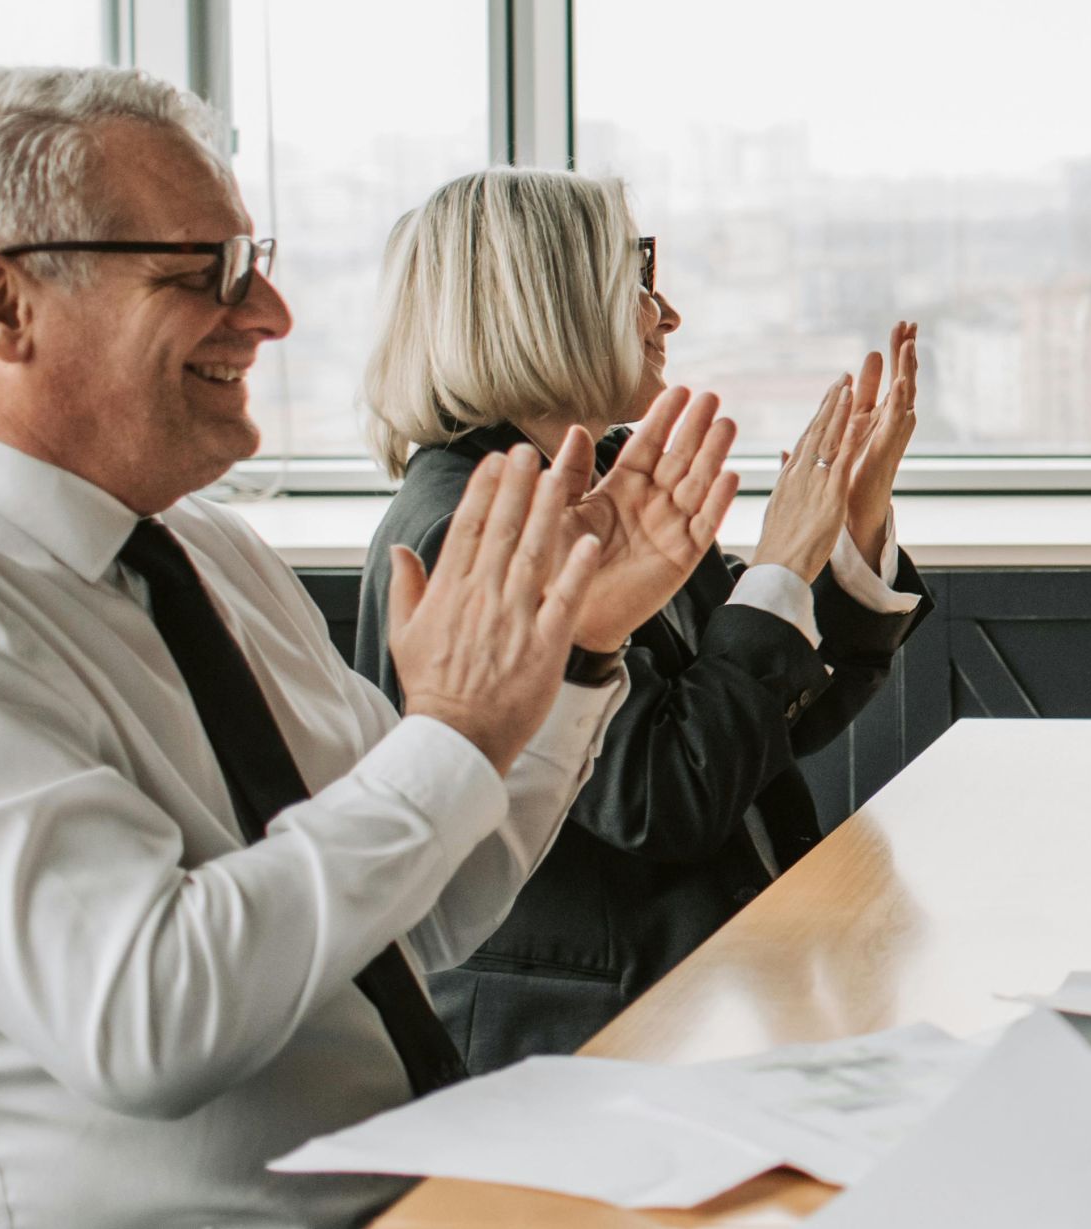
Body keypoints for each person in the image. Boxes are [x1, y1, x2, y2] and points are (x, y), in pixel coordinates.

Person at [0, 67, 738, 1227]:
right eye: (209, 272)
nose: (272, 315)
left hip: (435, 1187)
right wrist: (446, 737)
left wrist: (583, 650)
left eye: (262, 260)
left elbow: (426, 905)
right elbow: (145, 1019)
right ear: (5, 306)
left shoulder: (216, 555)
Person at [353, 169, 934, 1073]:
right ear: (544, 304)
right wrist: (780, 565)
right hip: (584, 1051)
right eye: (637, 278)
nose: (666, 315)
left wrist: (841, 536)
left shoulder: (611, 471)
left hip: (717, 996)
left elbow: (761, 725)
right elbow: (665, 797)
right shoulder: (468, 523)